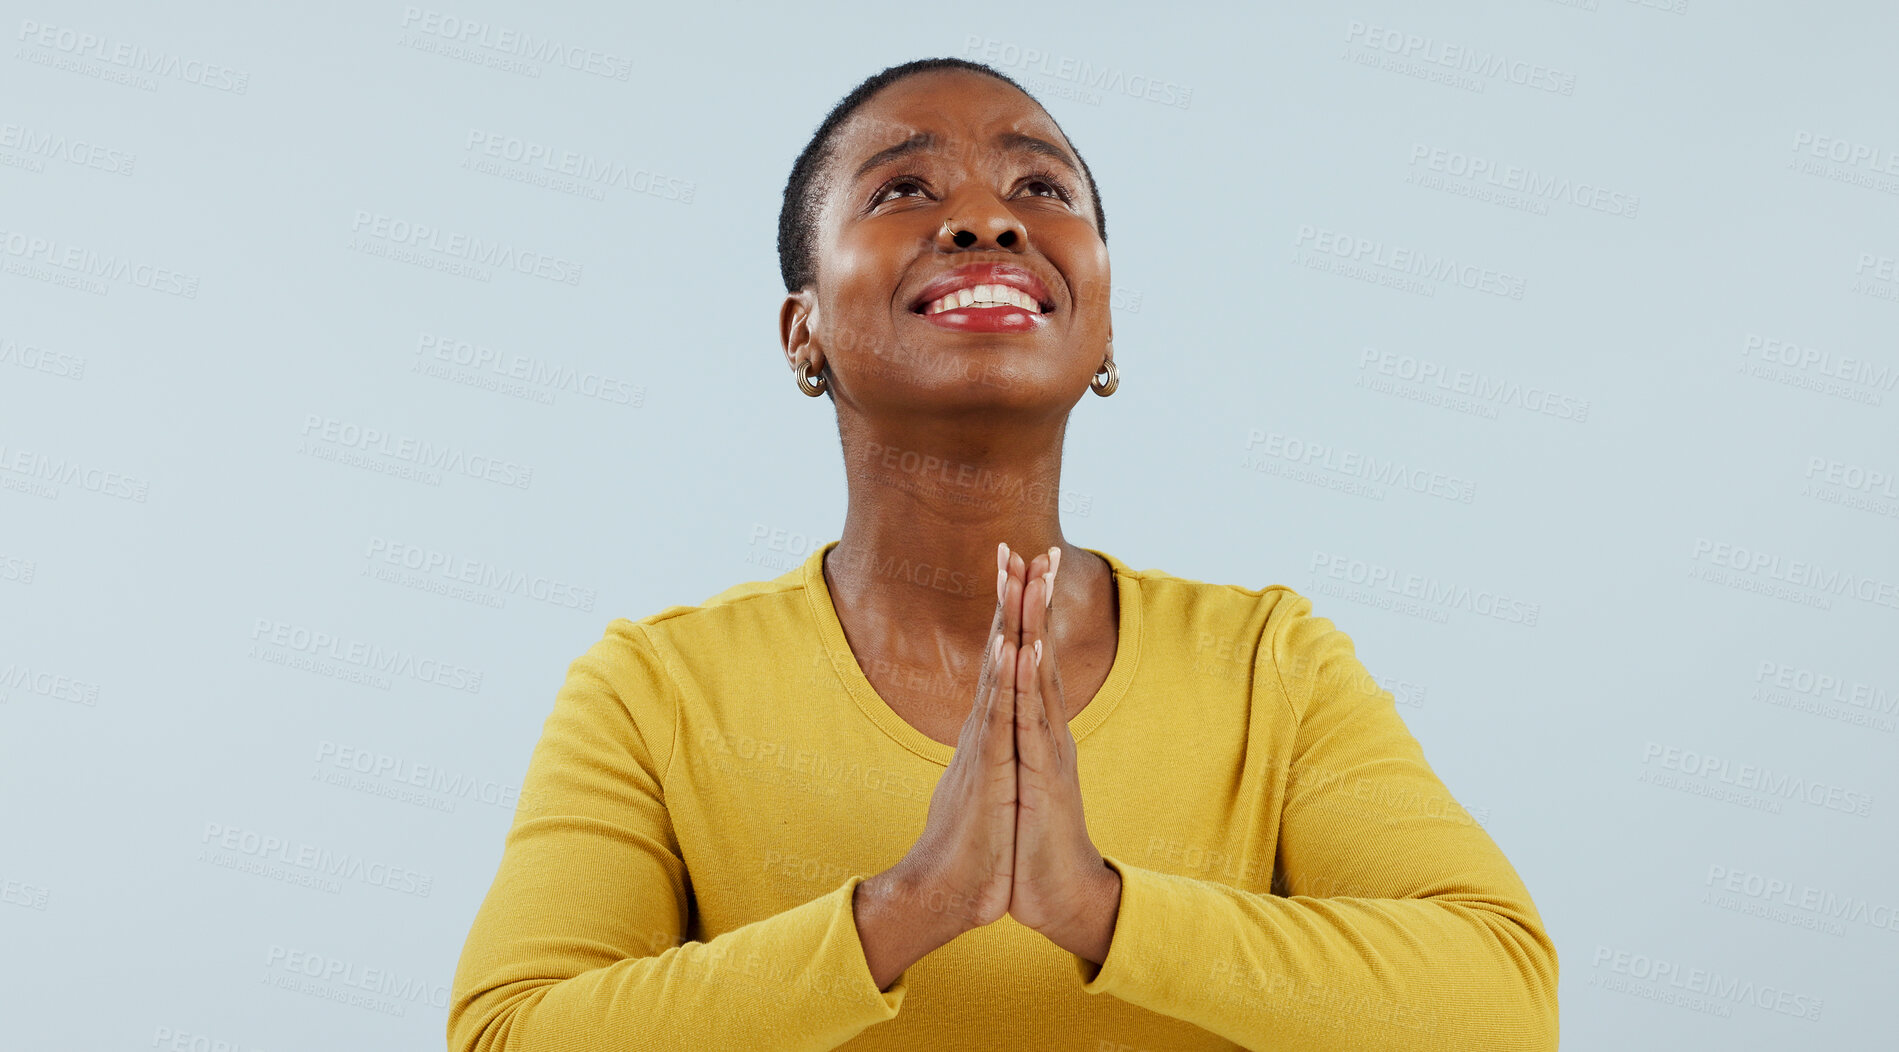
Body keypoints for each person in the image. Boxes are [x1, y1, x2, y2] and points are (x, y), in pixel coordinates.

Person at [448, 56, 1559, 1051]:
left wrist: (1099, 907)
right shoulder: (655, 690)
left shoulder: (1270, 662)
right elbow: (508, 1033)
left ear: (1105, 326)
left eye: (1040, 189)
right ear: (804, 331)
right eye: (903, 189)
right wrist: (909, 906)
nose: (987, 221)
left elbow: (1503, 1005)